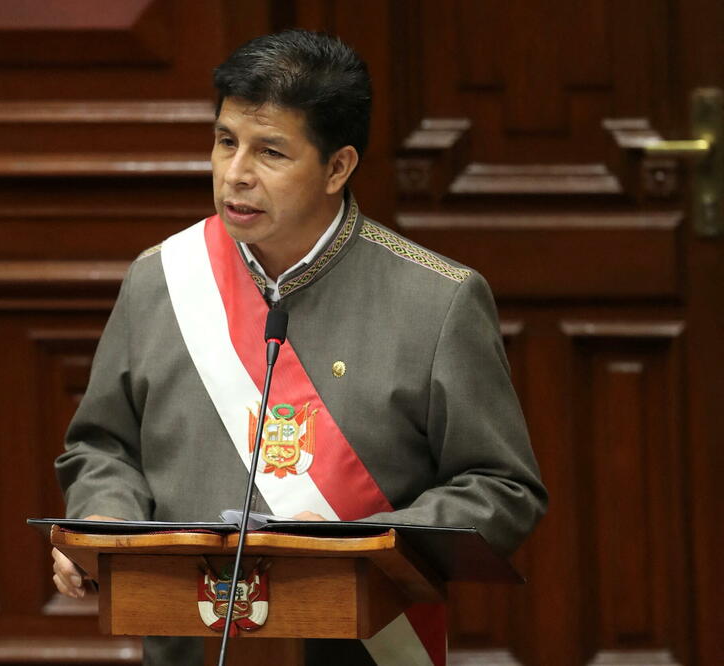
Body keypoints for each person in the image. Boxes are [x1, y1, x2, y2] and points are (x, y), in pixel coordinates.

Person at [52, 29, 547, 666]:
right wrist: (104, 524)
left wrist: (366, 548)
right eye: (226, 142)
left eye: (270, 152)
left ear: (337, 167)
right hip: (191, 645)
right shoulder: (163, 279)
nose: (236, 174)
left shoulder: (437, 299)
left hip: (362, 649)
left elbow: (503, 488)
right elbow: (102, 445)